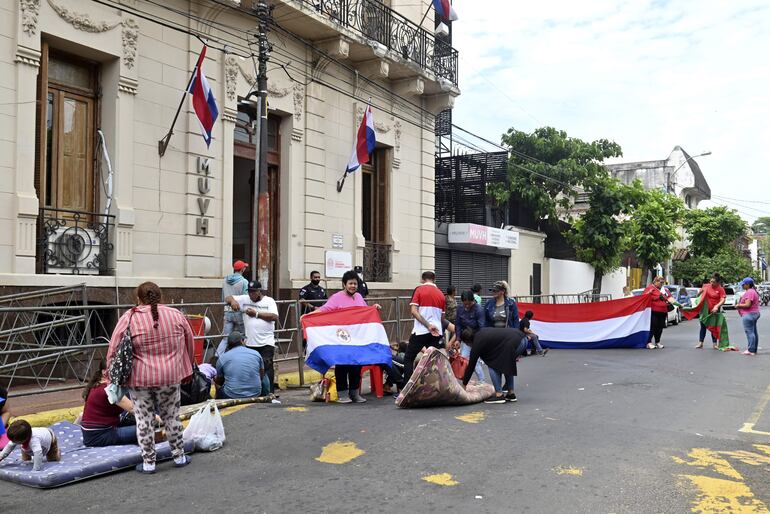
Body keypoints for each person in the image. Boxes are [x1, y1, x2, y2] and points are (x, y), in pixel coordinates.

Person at [107, 281, 194, 474]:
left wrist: (110, 373)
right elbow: (190, 344)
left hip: (140, 381)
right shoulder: (176, 315)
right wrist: (187, 370)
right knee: (172, 416)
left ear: (138, 298)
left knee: (143, 420)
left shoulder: (129, 317)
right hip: (170, 377)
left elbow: (113, 347)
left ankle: (148, 463)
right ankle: (179, 456)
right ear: (160, 296)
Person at [316, 270, 382, 403]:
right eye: (350, 283)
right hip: (341, 337)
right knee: (342, 365)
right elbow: (325, 309)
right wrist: (309, 316)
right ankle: (342, 394)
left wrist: (373, 308)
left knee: (356, 365)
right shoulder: (336, 297)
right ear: (344, 284)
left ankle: (354, 393)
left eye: (355, 284)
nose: (353, 286)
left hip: (357, 338)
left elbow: (364, 311)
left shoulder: (358, 296)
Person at [225, 281, 279, 393]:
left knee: (266, 367)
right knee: (252, 368)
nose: (251, 295)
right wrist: (233, 301)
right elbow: (228, 297)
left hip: (266, 342)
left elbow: (274, 316)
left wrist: (256, 314)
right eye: (249, 292)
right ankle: (254, 391)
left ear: (259, 291)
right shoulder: (245, 299)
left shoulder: (269, 301)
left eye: (254, 292)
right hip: (250, 342)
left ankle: (269, 393)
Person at [461, 328, 528, 404]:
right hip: (523, 339)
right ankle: (510, 394)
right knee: (507, 362)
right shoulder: (481, 333)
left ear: (467, 341)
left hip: (515, 342)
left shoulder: (477, 343)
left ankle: (499, 395)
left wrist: (464, 384)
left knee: (492, 364)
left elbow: (471, 365)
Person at [80, 361, 138, 447]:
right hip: (99, 436)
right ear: (104, 372)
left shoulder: (98, 384)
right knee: (147, 429)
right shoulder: (109, 389)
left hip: (93, 433)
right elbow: (134, 409)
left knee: (135, 421)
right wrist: (160, 419)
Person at [403, 271, 446, 384]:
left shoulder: (419, 290)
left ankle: (406, 390)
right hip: (437, 332)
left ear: (422, 280)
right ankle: (433, 388)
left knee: (408, 358)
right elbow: (442, 317)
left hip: (421, 331)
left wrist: (427, 325)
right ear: (434, 279)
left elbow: (413, 311)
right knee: (433, 362)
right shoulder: (441, 294)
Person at [215, 331, 267, 399]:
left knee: (216, 383)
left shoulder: (222, 358)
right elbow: (261, 376)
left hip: (232, 394)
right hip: (255, 393)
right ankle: (265, 394)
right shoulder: (256, 353)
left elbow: (219, 381)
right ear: (242, 341)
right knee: (265, 377)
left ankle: (218, 402)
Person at [451, 290, 488, 383]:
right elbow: (458, 325)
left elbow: (482, 327)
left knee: (474, 360)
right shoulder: (460, 309)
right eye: (465, 304)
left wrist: (479, 342)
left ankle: (482, 380)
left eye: (469, 304)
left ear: (473, 300)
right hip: (466, 339)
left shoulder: (479, 310)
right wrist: (458, 339)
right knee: (464, 359)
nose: (467, 306)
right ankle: (464, 380)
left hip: (476, 339)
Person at [221, 260, 249, 348]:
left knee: (225, 339)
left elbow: (223, 297)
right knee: (243, 336)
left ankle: (218, 357)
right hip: (239, 312)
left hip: (227, 311)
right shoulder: (244, 282)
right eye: (244, 267)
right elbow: (246, 298)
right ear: (242, 269)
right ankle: (243, 356)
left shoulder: (225, 280)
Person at [643, 276, 675, 349]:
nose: (662, 284)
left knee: (660, 327)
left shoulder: (665, 290)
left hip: (663, 311)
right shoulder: (650, 288)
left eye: (663, 282)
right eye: (660, 282)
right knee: (653, 327)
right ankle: (649, 342)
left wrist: (678, 304)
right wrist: (651, 294)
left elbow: (670, 298)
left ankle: (657, 342)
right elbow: (644, 297)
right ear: (655, 282)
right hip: (654, 311)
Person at [695, 274, 726, 349]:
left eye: (714, 282)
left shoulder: (720, 289)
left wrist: (716, 306)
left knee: (713, 327)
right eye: (711, 281)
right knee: (703, 326)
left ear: (718, 283)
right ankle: (701, 342)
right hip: (704, 310)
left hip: (714, 311)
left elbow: (723, 299)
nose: (711, 283)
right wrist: (699, 292)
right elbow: (698, 296)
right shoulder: (706, 286)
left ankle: (715, 344)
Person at [736, 277, 761, 356]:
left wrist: (738, 305)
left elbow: (747, 304)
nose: (742, 286)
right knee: (754, 332)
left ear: (747, 284)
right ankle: (754, 349)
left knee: (750, 332)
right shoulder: (753, 291)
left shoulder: (749, 292)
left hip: (749, 314)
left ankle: (751, 350)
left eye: (743, 284)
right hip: (754, 313)